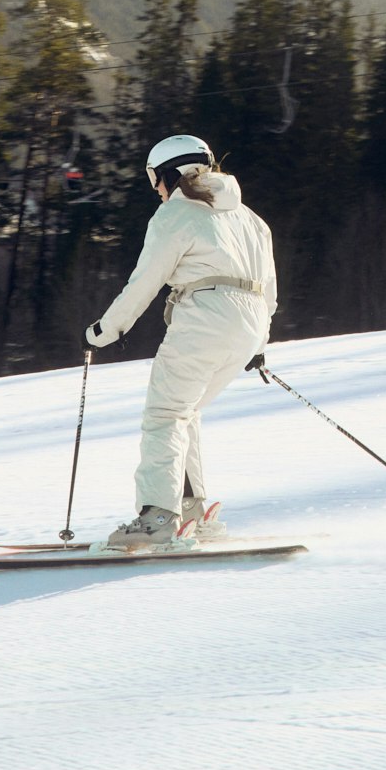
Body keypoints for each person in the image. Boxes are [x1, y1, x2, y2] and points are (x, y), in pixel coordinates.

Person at [85, 134, 276, 550]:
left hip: (205, 315)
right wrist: (259, 344)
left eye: (155, 178)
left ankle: (157, 517)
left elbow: (146, 280)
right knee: (184, 413)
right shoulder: (250, 218)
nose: (155, 189)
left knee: (165, 415)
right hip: (249, 324)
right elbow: (270, 289)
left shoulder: (176, 214)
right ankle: (193, 513)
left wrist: (108, 328)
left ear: (171, 173)